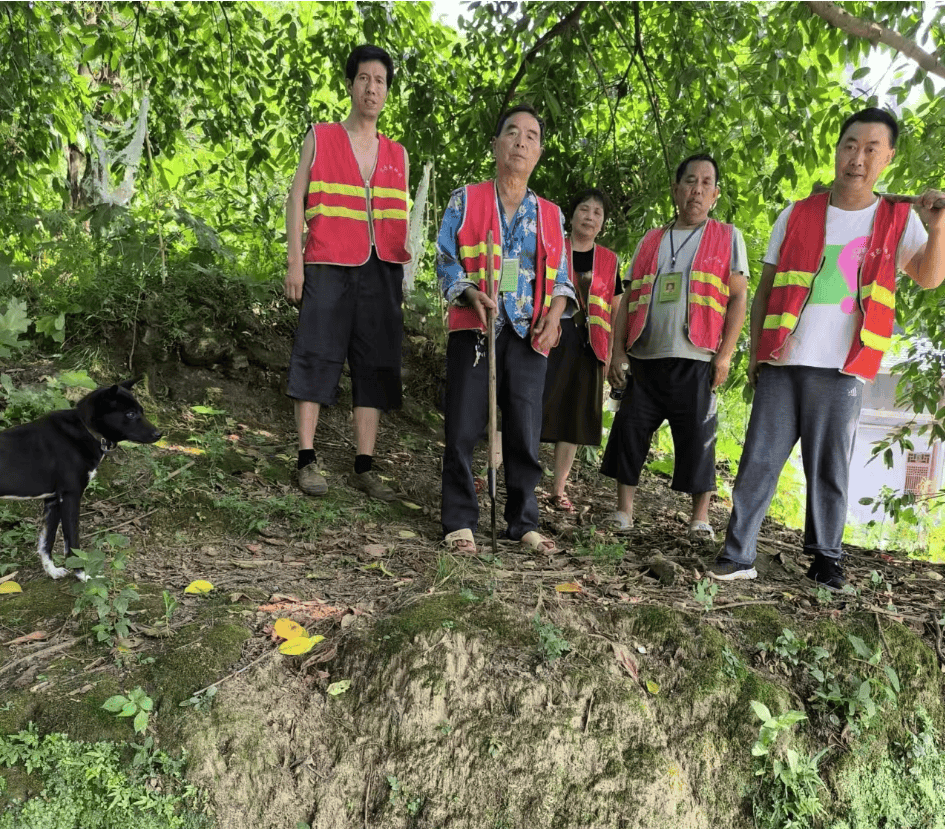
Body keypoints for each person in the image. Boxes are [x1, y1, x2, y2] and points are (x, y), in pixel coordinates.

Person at [709, 107, 943, 588]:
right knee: (758, 460)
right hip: (783, 358)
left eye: (871, 149)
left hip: (844, 367)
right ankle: (738, 555)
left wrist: (938, 226)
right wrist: (757, 353)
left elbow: (929, 277)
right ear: (837, 150)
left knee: (830, 467)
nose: (858, 157)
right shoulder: (797, 213)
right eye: (850, 145)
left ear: (887, 158)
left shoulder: (897, 219)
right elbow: (767, 286)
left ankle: (825, 558)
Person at [436, 104, 576, 555]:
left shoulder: (551, 215)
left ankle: (524, 521)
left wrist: (555, 315)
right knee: (462, 425)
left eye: (531, 136)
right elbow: (445, 257)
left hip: (529, 334)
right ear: (496, 144)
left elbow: (562, 277)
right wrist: (469, 291)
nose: (520, 141)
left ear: (538, 152)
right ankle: (460, 520)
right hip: (476, 325)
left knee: (524, 428)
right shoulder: (467, 199)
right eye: (512, 133)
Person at [283, 44, 410, 501]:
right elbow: (296, 198)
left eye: (380, 81)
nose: (372, 88)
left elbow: (399, 219)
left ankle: (364, 466)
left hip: (382, 272)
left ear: (387, 91)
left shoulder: (398, 153)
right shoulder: (321, 136)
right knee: (317, 354)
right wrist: (295, 262)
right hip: (328, 263)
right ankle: (306, 458)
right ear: (351, 84)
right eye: (364, 79)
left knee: (375, 364)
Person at [601, 153, 749, 540]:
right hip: (645, 355)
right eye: (689, 181)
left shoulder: (727, 236)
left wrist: (726, 354)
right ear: (675, 189)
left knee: (698, 438)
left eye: (705, 183)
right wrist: (617, 351)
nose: (696, 190)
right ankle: (623, 511)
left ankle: (699, 520)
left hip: (697, 356)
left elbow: (738, 299)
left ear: (715, 194)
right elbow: (628, 299)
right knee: (629, 431)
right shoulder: (651, 239)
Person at [540, 187, 620, 512]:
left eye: (597, 213)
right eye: (584, 210)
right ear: (571, 216)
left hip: (590, 346)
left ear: (602, 223)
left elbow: (615, 311)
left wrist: (611, 354)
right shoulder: (552, 246)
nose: (590, 217)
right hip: (551, 336)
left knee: (573, 417)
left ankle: (558, 490)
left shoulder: (610, 261)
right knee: (530, 402)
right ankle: (496, 471)